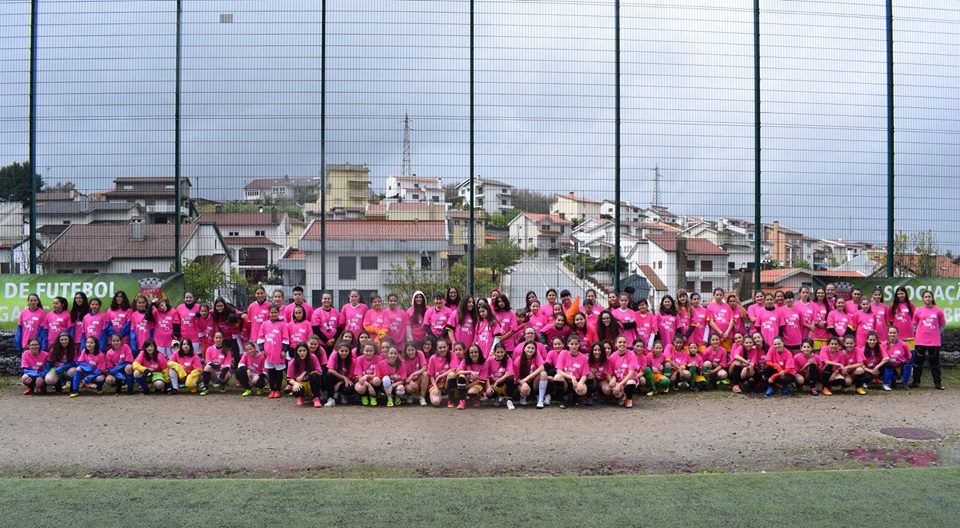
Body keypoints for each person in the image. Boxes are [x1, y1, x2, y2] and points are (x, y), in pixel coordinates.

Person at [911, 289, 947, 390]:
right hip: (920, 340)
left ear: (932, 298)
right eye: (925, 297)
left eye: (929, 297)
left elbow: (943, 325)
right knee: (918, 363)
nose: (927, 298)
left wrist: (936, 333)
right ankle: (915, 382)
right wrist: (919, 333)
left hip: (934, 341)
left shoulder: (938, 311)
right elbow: (914, 324)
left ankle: (937, 383)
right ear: (923, 299)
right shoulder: (918, 311)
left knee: (934, 363)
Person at [258, 304, 291, 399]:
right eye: (272, 312)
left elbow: (286, 339)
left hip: (278, 353)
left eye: (275, 312)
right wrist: (261, 349)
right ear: (269, 313)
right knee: (271, 371)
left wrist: (284, 350)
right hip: (268, 352)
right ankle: (272, 389)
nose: (273, 314)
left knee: (279, 372)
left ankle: (278, 390)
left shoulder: (283, 324)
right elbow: (260, 338)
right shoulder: (264, 324)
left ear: (278, 313)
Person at [287, 342, 323, 407]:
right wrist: (295, 383)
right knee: (297, 389)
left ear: (307, 351)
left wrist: (305, 373)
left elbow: (320, 372)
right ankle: (301, 396)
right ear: (296, 352)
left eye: (304, 350)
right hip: (301, 383)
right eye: (300, 351)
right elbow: (289, 378)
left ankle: (316, 398)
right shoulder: (292, 362)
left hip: (311, 383)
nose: (302, 353)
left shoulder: (313, 357)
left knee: (314, 375)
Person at [481, 342, 516, 410]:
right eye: (498, 352)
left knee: (510, 379)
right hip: (493, 384)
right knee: (489, 394)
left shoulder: (508, 359)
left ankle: (509, 401)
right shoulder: (489, 360)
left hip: (503, 383)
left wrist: (497, 381)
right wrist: (488, 387)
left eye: (502, 352)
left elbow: (509, 373)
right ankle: (496, 397)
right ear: (494, 352)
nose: (500, 354)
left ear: (505, 352)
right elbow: (486, 375)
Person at [606, 335, 639, 407]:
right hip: (618, 381)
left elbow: (631, 374)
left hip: (628, 380)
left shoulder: (631, 355)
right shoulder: (613, 356)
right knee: (613, 390)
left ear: (627, 344)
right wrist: (613, 380)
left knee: (631, 382)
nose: (622, 344)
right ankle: (621, 396)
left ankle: (629, 399)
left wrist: (620, 384)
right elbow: (609, 373)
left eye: (624, 342)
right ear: (616, 344)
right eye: (620, 342)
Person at [514, 341, 548, 408]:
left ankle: (540, 399)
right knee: (525, 390)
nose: (530, 350)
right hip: (522, 383)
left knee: (543, 373)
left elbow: (542, 367)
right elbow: (515, 378)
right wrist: (523, 383)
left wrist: (528, 377)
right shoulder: (518, 360)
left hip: (533, 382)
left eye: (533, 348)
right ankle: (523, 397)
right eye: (528, 347)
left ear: (535, 350)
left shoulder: (536, 355)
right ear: (524, 349)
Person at [323, 342, 355, 407]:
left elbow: (351, 375)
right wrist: (343, 377)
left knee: (349, 389)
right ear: (338, 351)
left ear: (349, 351)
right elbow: (330, 370)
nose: (344, 353)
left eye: (346, 351)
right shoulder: (334, 355)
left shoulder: (352, 360)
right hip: (335, 378)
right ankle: (330, 398)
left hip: (344, 380)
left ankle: (343, 394)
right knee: (328, 376)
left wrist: (339, 383)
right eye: (342, 351)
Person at [880, 326, 912, 391]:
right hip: (889, 366)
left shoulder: (904, 344)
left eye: (894, 333)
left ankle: (905, 383)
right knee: (888, 363)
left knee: (908, 363)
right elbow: (883, 358)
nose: (892, 334)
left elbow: (908, 357)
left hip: (900, 366)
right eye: (890, 332)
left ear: (897, 333)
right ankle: (886, 383)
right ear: (888, 333)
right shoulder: (883, 344)